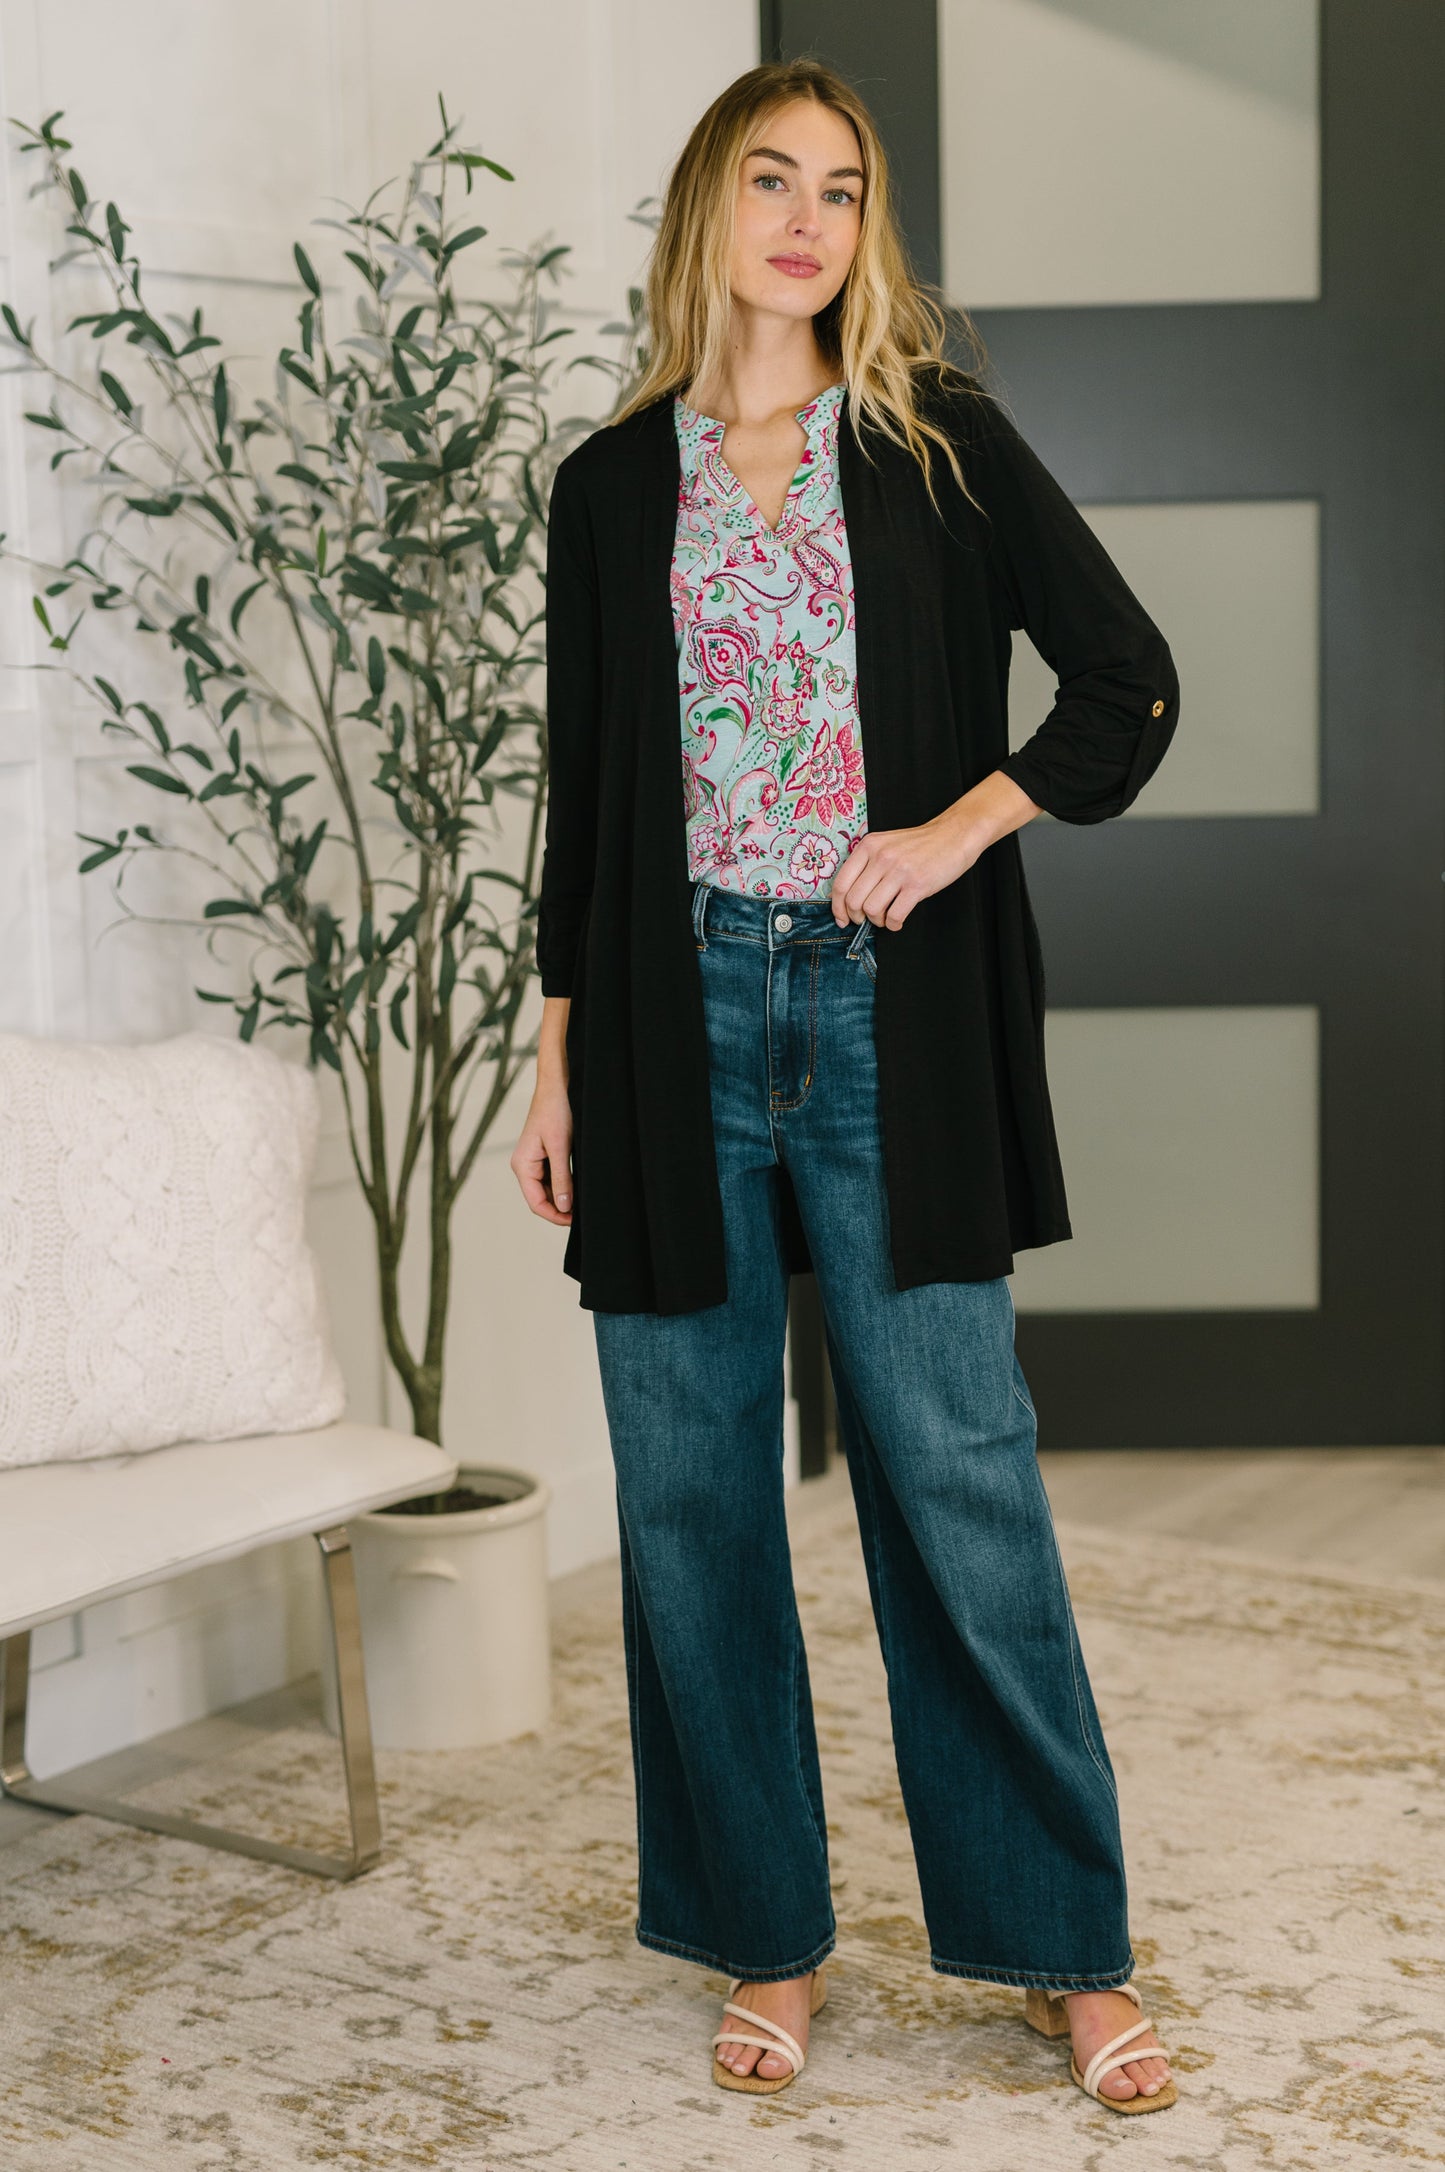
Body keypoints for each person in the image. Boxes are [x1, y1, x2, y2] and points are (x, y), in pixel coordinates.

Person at [510, 57, 1181, 2117]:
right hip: (667, 1024)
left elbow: (1126, 679)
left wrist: (956, 829)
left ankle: (1064, 1949)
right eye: (770, 179)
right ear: (707, 206)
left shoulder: (931, 442)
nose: (807, 219)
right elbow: (587, 794)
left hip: (893, 1021)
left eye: (843, 188)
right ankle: (767, 1939)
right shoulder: (609, 488)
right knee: (693, 1497)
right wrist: (554, 1059)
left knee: (957, 1482)